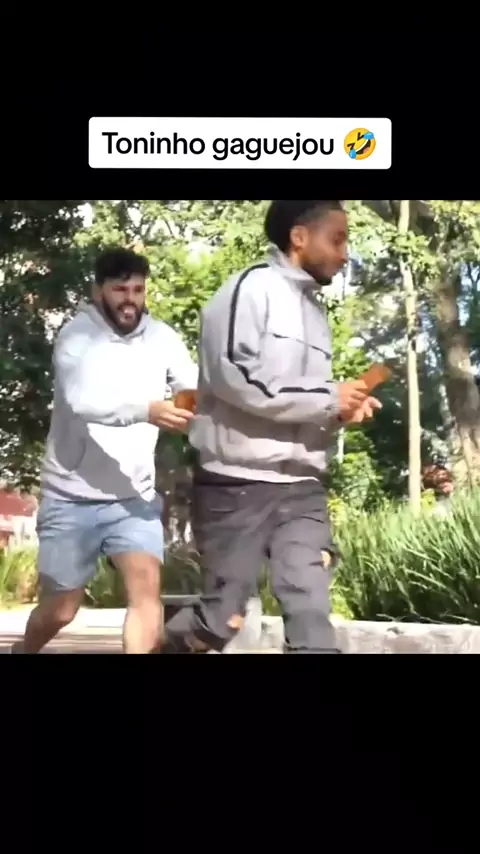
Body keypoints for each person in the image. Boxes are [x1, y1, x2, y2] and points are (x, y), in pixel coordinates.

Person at [160, 200, 381, 654]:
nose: (345, 254)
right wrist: (326, 398)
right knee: (222, 619)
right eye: (337, 239)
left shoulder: (316, 314)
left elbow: (299, 401)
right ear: (299, 238)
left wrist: (340, 412)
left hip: (302, 487)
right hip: (235, 485)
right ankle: (170, 645)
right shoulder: (248, 290)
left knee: (310, 606)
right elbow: (235, 377)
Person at [12, 247, 197, 654]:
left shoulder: (163, 338)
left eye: (138, 290)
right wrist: (147, 410)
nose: (130, 300)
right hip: (70, 496)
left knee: (146, 592)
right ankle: (24, 650)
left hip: (133, 498)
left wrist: (195, 408)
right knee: (61, 609)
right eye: (120, 290)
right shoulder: (75, 337)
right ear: (98, 291)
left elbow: (190, 385)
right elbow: (82, 401)